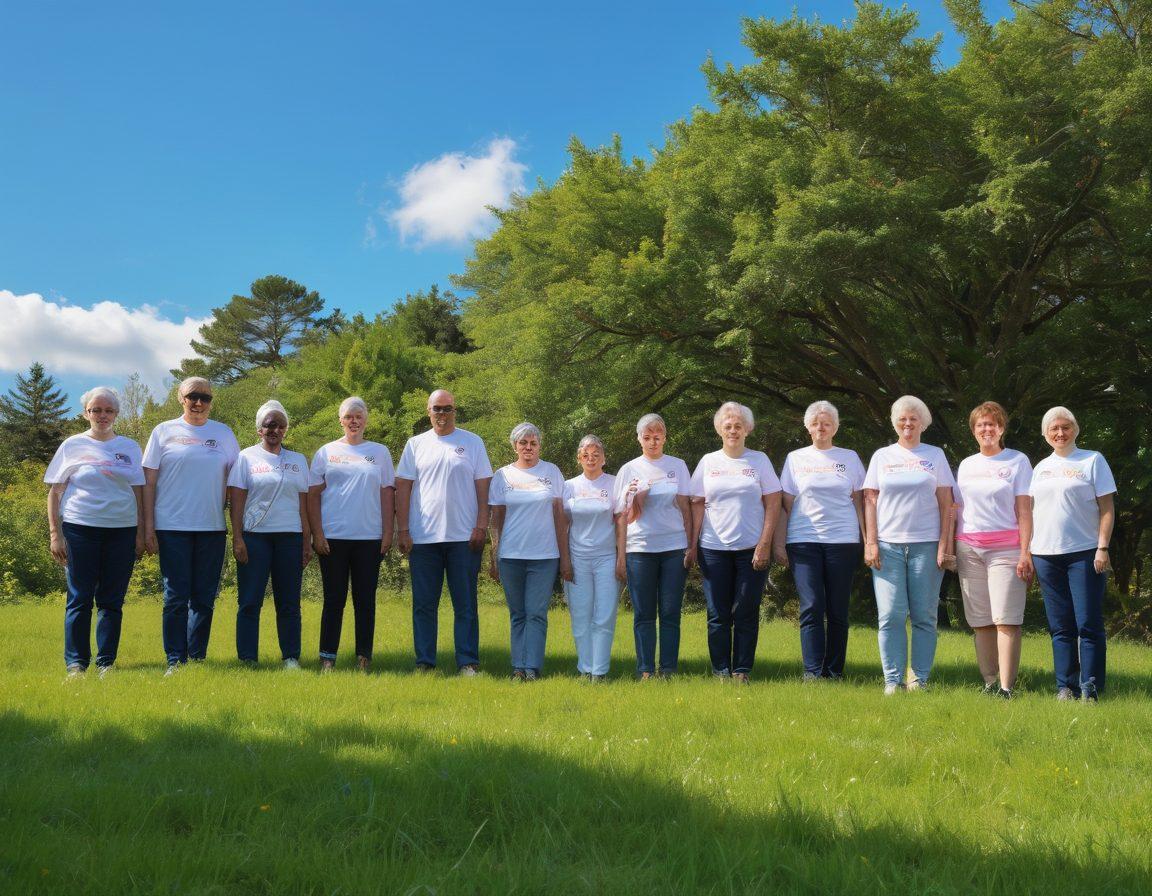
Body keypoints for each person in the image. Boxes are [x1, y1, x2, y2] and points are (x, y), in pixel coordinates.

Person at [45, 386, 145, 677]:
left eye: (108, 410)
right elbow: (55, 492)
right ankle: (76, 664)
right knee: (79, 598)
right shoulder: (72, 445)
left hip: (122, 530)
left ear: (116, 413)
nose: (102, 415)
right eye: (96, 410)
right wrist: (55, 534)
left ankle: (106, 663)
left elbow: (139, 491)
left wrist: (140, 532)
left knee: (112, 601)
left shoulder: (129, 447)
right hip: (79, 529)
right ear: (86, 413)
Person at [142, 377, 239, 674]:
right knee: (175, 597)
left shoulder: (223, 433)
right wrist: (147, 527)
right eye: (192, 396)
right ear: (180, 398)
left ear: (211, 401)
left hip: (211, 526)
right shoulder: (163, 432)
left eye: (204, 397)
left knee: (204, 598)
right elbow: (148, 482)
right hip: (171, 526)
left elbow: (238, 482)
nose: (198, 402)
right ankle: (175, 659)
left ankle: (196, 660)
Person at [395, 390, 493, 675]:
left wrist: (481, 526)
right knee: (424, 605)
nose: (442, 414)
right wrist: (403, 530)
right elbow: (403, 486)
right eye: (437, 409)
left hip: (464, 537)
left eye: (447, 409)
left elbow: (483, 487)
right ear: (428, 411)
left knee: (465, 604)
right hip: (424, 538)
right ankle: (425, 663)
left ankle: (468, 662)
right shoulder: (415, 445)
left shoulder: (472, 442)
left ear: (455, 410)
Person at [863, 395, 955, 694]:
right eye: (902, 419)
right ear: (895, 423)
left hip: (927, 545)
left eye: (913, 419)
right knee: (890, 614)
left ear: (922, 424)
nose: (907, 424)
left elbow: (946, 504)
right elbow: (871, 500)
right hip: (887, 545)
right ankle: (893, 680)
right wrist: (871, 542)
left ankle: (919, 679)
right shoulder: (882, 456)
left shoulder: (935, 456)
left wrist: (944, 545)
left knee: (924, 616)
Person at [774, 400, 865, 681]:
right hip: (803, 540)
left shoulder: (849, 457)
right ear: (808, 427)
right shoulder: (795, 458)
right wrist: (779, 543)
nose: (821, 427)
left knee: (838, 608)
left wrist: (869, 540)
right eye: (815, 423)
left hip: (843, 540)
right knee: (812, 605)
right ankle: (812, 671)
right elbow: (784, 504)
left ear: (835, 427)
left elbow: (862, 501)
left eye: (826, 423)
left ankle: (834, 670)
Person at [690, 402, 781, 683]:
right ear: (719, 430)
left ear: (747, 430)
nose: (733, 430)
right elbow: (696, 504)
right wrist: (692, 545)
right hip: (713, 549)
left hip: (751, 550)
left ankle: (742, 670)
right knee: (717, 614)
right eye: (727, 426)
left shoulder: (759, 461)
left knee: (745, 611)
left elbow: (774, 501)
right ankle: (720, 670)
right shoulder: (708, 461)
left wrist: (765, 543)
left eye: (738, 426)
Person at [1030, 406, 1115, 701]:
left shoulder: (1092, 460)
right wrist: (1028, 551)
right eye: (1053, 428)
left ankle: (1090, 687)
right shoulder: (1040, 468)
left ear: (1076, 429)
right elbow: (1032, 512)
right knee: (1060, 626)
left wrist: (1102, 547)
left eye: (1065, 427)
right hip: (1044, 554)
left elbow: (1107, 508)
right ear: (1045, 434)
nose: (1060, 433)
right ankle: (1065, 686)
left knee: (1088, 623)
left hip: (1085, 553)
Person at [307, 396, 394, 672]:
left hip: (369, 538)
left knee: (365, 600)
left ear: (366, 419)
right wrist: (317, 534)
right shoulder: (326, 452)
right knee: (334, 599)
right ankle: (327, 658)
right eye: (348, 417)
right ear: (340, 420)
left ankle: (363, 658)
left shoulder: (379, 452)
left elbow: (387, 494)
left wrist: (388, 533)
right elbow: (312, 495)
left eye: (358, 416)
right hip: (333, 538)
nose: (353, 421)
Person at [952, 401, 1032, 698]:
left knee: (1006, 619)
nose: (987, 429)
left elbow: (1024, 510)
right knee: (981, 621)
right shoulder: (966, 465)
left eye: (992, 424)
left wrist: (1026, 552)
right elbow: (957, 509)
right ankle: (988, 682)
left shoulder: (1017, 461)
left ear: (1002, 428)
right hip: (969, 548)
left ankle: (1006, 687)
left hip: (1007, 550)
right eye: (981, 425)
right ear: (974, 431)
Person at [228, 400, 312, 668]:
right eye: (269, 425)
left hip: (290, 538)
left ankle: (290, 658)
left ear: (286, 429)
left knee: (289, 602)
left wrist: (306, 540)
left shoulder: (298, 461)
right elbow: (237, 501)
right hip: (255, 538)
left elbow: (304, 504)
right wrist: (237, 537)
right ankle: (248, 659)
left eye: (279, 425)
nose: (274, 429)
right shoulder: (245, 458)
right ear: (259, 430)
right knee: (250, 601)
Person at [488, 423, 570, 680]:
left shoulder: (552, 472)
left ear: (539, 446)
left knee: (536, 612)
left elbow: (560, 516)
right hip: (511, 555)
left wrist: (564, 556)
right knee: (518, 613)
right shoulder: (502, 475)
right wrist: (494, 555)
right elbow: (496, 519)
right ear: (514, 446)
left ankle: (532, 667)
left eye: (533, 443)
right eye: (523, 443)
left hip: (544, 556)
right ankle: (517, 667)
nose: (528, 447)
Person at [614, 413, 693, 679]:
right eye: (647, 436)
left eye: (657, 435)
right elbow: (620, 515)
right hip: (639, 549)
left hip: (673, 547)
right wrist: (621, 555)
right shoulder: (629, 469)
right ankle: (645, 669)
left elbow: (686, 507)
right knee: (644, 613)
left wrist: (690, 546)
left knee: (670, 611)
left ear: (665, 437)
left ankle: (668, 669)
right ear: (639, 439)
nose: (652, 440)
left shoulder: (678, 466)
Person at [562, 435, 621, 681]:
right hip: (578, 558)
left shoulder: (615, 483)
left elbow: (621, 523)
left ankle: (600, 671)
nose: (591, 459)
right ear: (579, 459)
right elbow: (563, 524)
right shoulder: (569, 486)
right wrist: (564, 560)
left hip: (607, 557)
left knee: (604, 615)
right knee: (580, 615)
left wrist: (622, 559)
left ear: (604, 458)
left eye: (596, 454)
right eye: (586, 455)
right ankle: (585, 668)